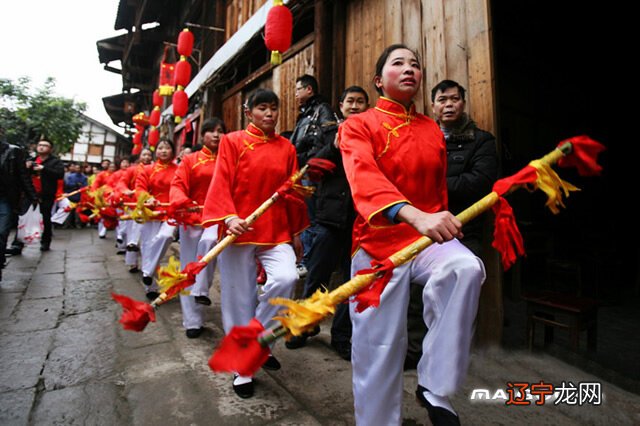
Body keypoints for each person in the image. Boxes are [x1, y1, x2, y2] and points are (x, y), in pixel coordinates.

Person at [338, 44, 486, 425]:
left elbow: (437, 192)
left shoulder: (431, 130)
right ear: (378, 80)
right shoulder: (359, 124)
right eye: (398, 63)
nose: (409, 69)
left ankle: (434, 384)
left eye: (415, 64)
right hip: (378, 243)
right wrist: (415, 216)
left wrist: (440, 221)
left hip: (424, 241)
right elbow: (364, 179)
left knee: (465, 268)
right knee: (379, 346)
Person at [202, 88, 308, 399]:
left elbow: (293, 192)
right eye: (263, 108)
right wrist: (229, 217)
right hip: (239, 229)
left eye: (274, 108)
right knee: (238, 297)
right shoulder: (233, 142)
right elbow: (221, 180)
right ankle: (243, 369)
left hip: (276, 230)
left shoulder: (287, 148)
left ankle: (258, 344)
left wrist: (298, 232)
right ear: (249, 113)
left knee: (287, 278)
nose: (270, 114)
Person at [405, 80, 500, 370]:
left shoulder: (481, 141)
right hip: (422, 229)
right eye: (442, 99)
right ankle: (412, 353)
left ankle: (443, 361)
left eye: (455, 99)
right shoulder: (420, 136)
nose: (449, 104)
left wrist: (430, 189)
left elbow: (479, 183)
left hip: (462, 229)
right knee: (414, 296)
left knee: (452, 294)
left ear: (463, 103)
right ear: (433, 106)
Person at [285, 86, 370, 360]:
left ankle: (342, 336)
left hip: (359, 221)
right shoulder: (328, 133)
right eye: (350, 101)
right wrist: (333, 147)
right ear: (341, 106)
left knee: (351, 282)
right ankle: (302, 326)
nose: (355, 106)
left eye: (360, 102)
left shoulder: (372, 136)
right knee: (317, 277)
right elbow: (311, 165)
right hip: (329, 218)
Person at [170, 118, 226, 338]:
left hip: (218, 219)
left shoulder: (228, 160)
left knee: (210, 246)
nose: (216, 135)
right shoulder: (190, 160)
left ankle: (201, 289)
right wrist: (182, 200)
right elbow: (177, 185)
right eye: (211, 131)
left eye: (220, 131)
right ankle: (192, 321)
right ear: (202, 135)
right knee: (188, 267)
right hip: (192, 219)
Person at [289, 74, 339, 278]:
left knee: (313, 220)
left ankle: (309, 261)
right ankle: (306, 260)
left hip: (314, 172)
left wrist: (310, 159)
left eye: (298, 89)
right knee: (305, 218)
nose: (296, 93)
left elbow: (325, 141)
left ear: (309, 89)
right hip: (303, 171)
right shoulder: (306, 113)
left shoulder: (322, 110)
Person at [135, 140, 178, 300]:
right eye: (160, 148)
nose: (164, 151)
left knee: (165, 237)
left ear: (173, 151)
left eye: (167, 147)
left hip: (171, 213)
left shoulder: (179, 170)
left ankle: (147, 272)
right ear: (156, 152)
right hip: (151, 213)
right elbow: (140, 188)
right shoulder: (147, 169)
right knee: (147, 247)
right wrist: (148, 198)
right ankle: (150, 287)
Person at [1, 133, 38, 281]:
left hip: (5, 199)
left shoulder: (13, 151)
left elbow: (23, 175)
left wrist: (33, 196)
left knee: (2, 232)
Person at [117, 149, 153, 273]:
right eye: (144, 154)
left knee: (145, 240)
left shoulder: (155, 169)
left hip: (149, 208)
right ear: (140, 157)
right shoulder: (132, 170)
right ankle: (132, 263)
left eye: (149, 154)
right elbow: (122, 183)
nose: (147, 157)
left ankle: (147, 267)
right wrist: (127, 191)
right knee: (131, 235)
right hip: (133, 206)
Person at [25, 139, 65, 251]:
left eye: (45, 145)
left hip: (46, 194)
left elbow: (60, 174)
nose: (41, 147)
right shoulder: (31, 160)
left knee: (45, 218)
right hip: (30, 193)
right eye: (40, 145)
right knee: (23, 217)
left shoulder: (55, 162)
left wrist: (44, 169)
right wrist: (26, 168)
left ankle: (45, 242)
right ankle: (18, 243)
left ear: (50, 149)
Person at [61, 162, 88, 229]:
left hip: (79, 196)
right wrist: (76, 185)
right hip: (71, 194)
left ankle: (77, 224)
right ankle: (66, 224)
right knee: (68, 211)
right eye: (76, 168)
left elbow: (85, 186)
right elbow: (68, 185)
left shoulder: (84, 177)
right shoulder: (70, 176)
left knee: (78, 212)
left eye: (78, 168)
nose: (77, 169)